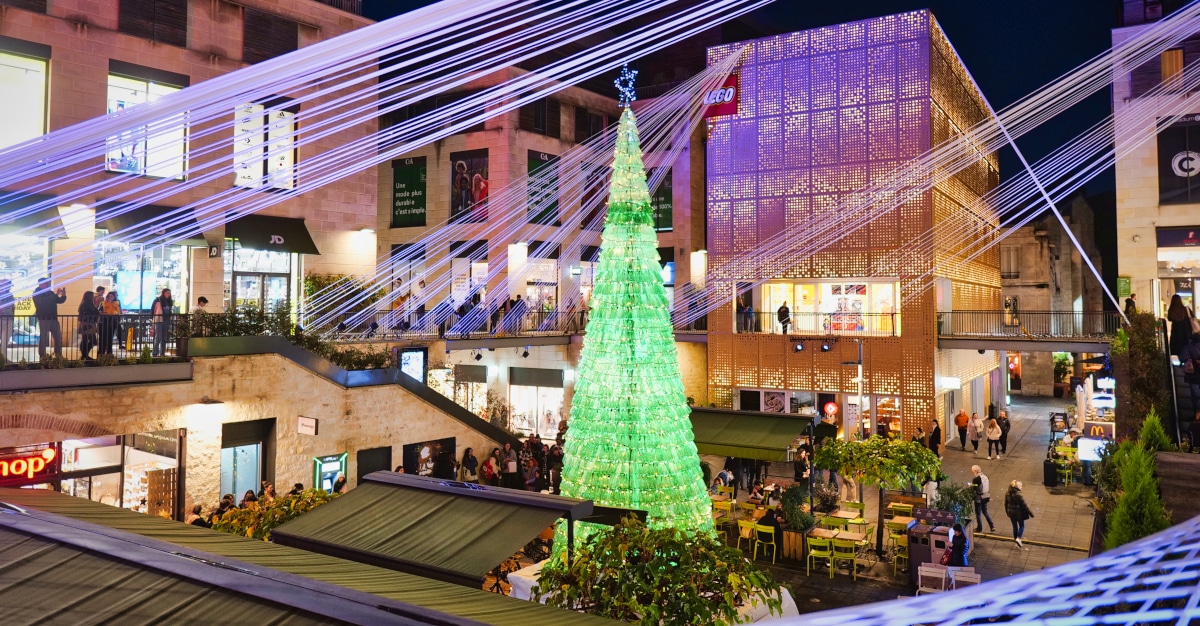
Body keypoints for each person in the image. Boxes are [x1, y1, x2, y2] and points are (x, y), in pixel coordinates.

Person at [32, 278, 67, 359]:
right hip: (44, 318)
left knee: (58, 337)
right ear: (41, 284)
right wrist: (55, 295)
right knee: (43, 337)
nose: (48, 284)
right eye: (46, 283)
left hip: (53, 318)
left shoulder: (50, 292)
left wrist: (63, 295)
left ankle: (58, 354)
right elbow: (44, 302)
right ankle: (42, 354)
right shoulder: (37, 293)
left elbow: (59, 300)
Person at [1004, 480, 1034, 547]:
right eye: (1020, 485)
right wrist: (1031, 513)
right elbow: (1024, 506)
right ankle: (1018, 538)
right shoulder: (1018, 495)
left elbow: (1006, 503)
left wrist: (1007, 512)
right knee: (1022, 526)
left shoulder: (1007, 493)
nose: (1022, 487)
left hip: (1011, 512)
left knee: (1015, 526)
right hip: (1018, 513)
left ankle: (1016, 540)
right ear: (1017, 487)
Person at [970, 465, 996, 533]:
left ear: (975, 471)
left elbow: (973, 488)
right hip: (986, 496)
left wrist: (970, 486)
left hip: (979, 498)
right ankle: (992, 526)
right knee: (985, 511)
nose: (973, 473)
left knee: (978, 513)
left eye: (973, 472)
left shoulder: (976, 479)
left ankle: (979, 528)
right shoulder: (986, 476)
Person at [77, 291, 100, 362]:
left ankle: (85, 355)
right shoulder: (88, 303)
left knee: (86, 339)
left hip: (86, 323)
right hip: (88, 323)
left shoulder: (84, 303)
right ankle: (85, 355)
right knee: (91, 340)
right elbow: (95, 311)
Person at [150, 288, 174, 357]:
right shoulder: (158, 300)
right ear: (163, 293)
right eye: (167, 293)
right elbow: (152, 309)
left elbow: (169, 310)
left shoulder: (169, 301)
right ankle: (155, 352)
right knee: (158, 337)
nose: (168, 295)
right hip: (159, 319)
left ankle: (162, 352)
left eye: (169, 293)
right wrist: (152, 318)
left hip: (166, 320)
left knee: (164, 337)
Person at [99, 290, 122, 355]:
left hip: (112, 323)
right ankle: (101, 352)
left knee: (110, 338)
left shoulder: (116, 303)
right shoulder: (103, 303)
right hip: (104, 322)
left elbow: (118, 313)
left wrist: (118, 320)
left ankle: (109, 352)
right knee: (103, 338)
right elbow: (99, 311)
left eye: (112, 296)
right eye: (109, 296)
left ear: (114, 297)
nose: (110, 297)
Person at [0, 279, 12, 360]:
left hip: (8, 319)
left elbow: (10, 307)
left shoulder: (10, 295)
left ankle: (3, 358)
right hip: (3, 318)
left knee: (5, 340)